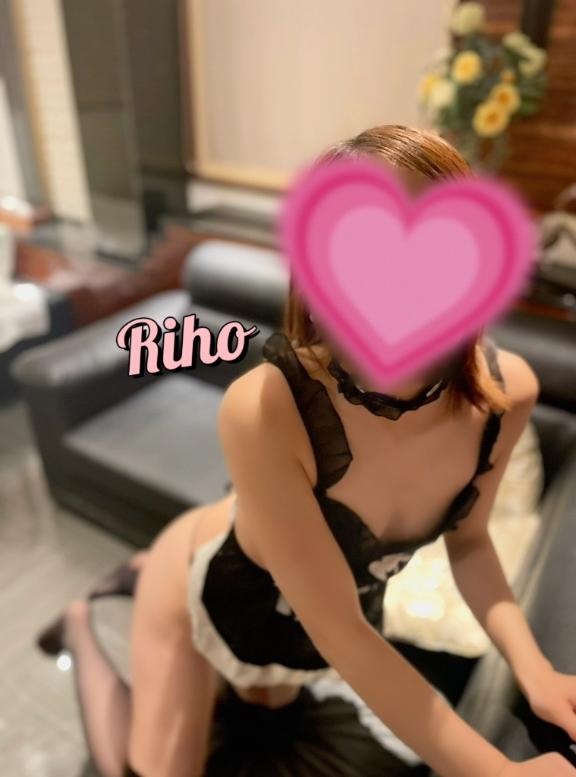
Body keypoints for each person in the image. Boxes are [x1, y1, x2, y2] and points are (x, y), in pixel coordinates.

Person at [39, 125, 576, 777]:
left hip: (303, 624)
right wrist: (498, 772)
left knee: (258, 714)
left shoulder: (506, 394)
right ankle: (81, 625)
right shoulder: (267, 407)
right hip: (208, 590)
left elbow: (469, 543)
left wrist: (534, 669)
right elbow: (342, 631)